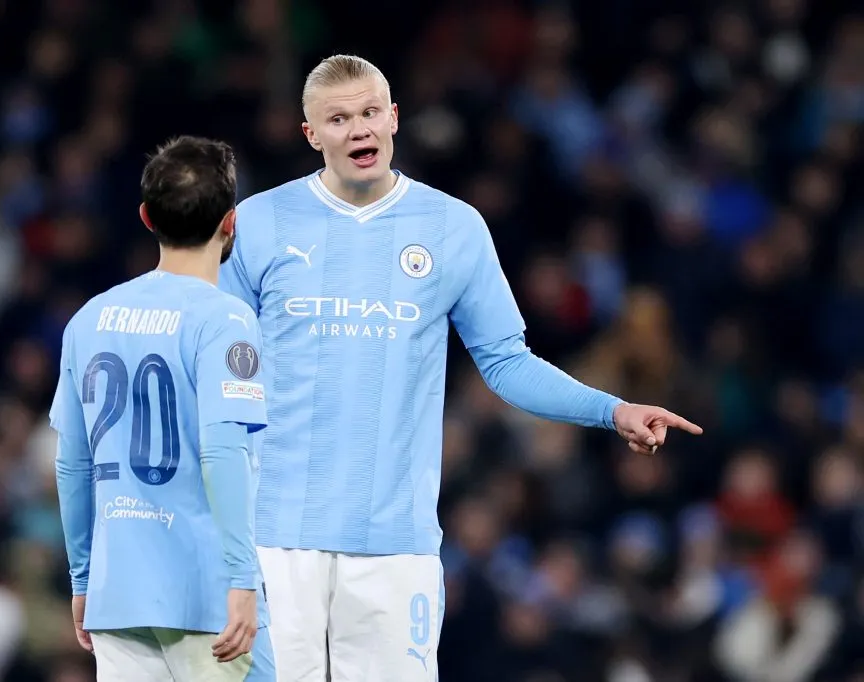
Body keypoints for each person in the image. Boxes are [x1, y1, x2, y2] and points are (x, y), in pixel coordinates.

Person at [218, 55, 702, 682]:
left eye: (370, 113)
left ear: (394, 118)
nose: (359, 129)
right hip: (276, 538)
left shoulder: (453, 228)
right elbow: (222, 372)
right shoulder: (258, 223)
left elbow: (506, 362)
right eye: (338, 119)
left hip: (396, 543)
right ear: (311, 133)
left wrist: (612, 410)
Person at [51, 135, 275, 681]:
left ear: (147, 217)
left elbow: (72, 464)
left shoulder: (88, 319)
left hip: (118, 596)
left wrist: (83, 580)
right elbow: (222, 451)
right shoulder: (226, 320)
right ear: (231, 223)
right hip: (206, 597)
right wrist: (242, 580)